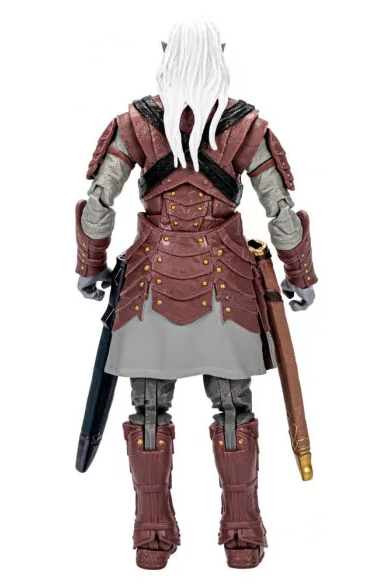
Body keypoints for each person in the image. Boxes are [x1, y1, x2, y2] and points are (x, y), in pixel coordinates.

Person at [75, 18, 317, 570]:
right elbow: (280, 211)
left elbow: (98, 204)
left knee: (148, 410)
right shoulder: (246, 126)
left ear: (165, 53)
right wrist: (300, 275)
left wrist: (90, 267)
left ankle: (151, 537)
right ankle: (243, 535)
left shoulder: (134, 123)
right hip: (225, 284)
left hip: (150, 280)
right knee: (233, 407)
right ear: (221, 54)